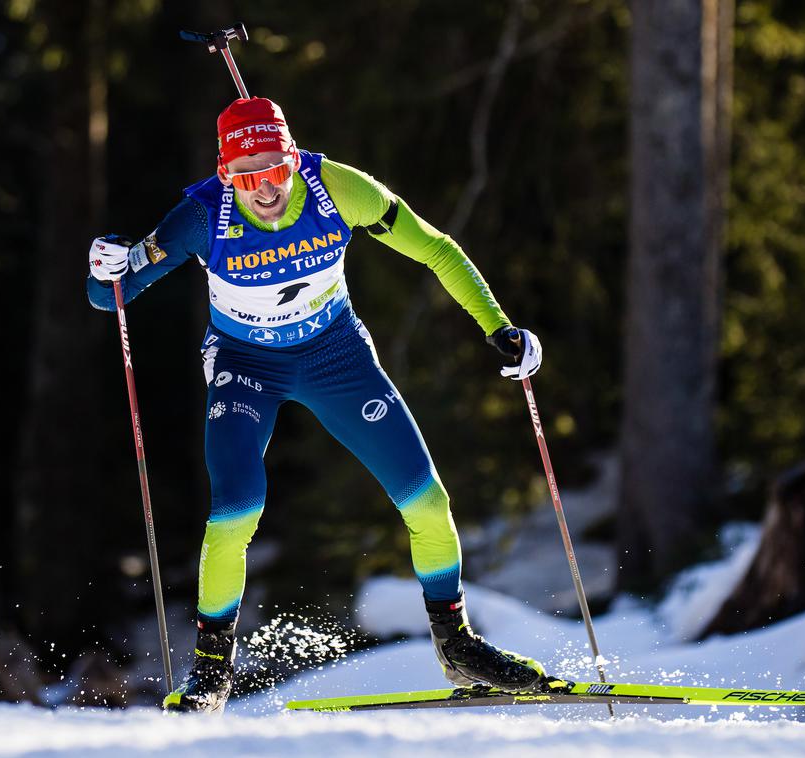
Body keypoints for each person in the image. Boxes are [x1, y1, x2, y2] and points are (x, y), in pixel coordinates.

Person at [87, 97, 545, 713]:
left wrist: (500, 328)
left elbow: (435, 248)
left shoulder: (337, 189)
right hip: (245, 366)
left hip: (337, 358)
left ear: (292, 159)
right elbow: (110, 294)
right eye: (247, 176)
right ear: (226, 176)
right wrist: (107, 265)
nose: (265, 187)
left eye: (274, 169)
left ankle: (456, 644)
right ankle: (212, 674)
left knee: (429, 503)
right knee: (236, 512)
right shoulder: (203, 217)